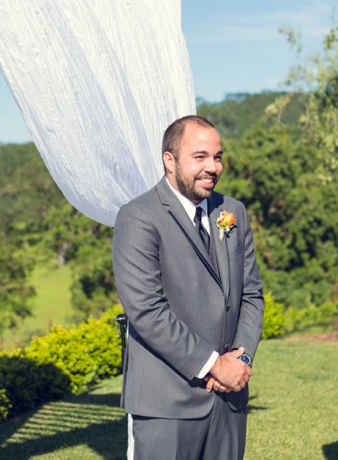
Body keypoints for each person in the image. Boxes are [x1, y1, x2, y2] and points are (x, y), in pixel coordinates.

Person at [112, 115, 264, 459]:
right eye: (200, 157)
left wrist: (242, 359)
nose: (213, 167)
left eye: (218, 156)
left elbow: (252, 295)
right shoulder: (137, 216)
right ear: (170, 160)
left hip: (229, 399)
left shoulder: (232, 211)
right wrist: (214, 365)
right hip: (166, 404)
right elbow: (147, 311)